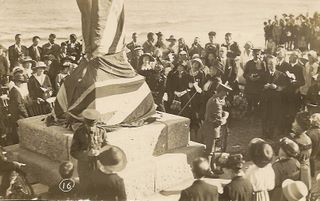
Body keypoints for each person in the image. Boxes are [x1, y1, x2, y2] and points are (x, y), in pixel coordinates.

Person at [70, 109, 108, 197]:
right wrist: (86, 154)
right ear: (85, 122)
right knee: (86, 191)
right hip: (84, 167)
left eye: (93, 125)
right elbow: (73, 151)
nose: (91, 128)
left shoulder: (101, 131)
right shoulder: (79, 133)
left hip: (99, 167)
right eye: (89, 125)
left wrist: (99, 152)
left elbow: (107, 147)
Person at [198, 78, 231, 165]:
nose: (226, 95)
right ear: (221, 92)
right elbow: (219, 121)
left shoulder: (214, 99)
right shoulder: (216, 103)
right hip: (211, 130)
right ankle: (207, 169)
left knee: (212, 150)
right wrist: (226, 116)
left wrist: (223, 113)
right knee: (209, 151)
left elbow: (215, 113)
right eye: (225, 93)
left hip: (210, 128)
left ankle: (212, 167)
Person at [260, 56, 287, 139]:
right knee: (265, 116)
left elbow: (285, 87)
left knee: (273, 116)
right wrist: (264, 87)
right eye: (268, 64)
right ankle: (264, 133)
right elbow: (259, 86)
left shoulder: (281, 75)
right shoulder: (264, 74)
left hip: (275, 100)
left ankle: (272, 133)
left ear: (276, 64)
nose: (270, 66)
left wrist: (276, 87)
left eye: (272, 64)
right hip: (266, 100)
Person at [283, 51, 305, 133]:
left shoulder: (299, 68)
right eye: (290, 56)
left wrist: (296, 83)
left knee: (293, 111)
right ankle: (285, 127)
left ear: (296, 57)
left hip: (295, 93)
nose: (290, 57)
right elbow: (283, 78)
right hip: (287, 92)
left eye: (292, 56)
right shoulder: (286, 66)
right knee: (286, 110)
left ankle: (292, 128)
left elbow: (303, 81)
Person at [291, 111, 312, 190]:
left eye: (295, 122)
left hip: (297, 170)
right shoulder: (307, 139)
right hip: (306, 167)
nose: (293, 124)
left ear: (300, 126)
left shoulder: (296, 142)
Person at [243, 48, 266, 118]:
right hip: (250, 86)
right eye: (255, 54)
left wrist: (259, 78)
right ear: (252, 54)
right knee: (249, 102)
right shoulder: (249, 63)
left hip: (258, 87)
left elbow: (265, 74)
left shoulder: (263, 63)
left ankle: (256, 116)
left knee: (256, 102)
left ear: (260, 55)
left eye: (258, 54)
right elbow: (245, 74)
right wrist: (249, 77)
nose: (256, 55)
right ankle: (249, 115)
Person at [8, 73, 29, 144]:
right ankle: (18, 143)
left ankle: (18, 142)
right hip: (18, 114)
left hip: (16, 114)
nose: (21, 84)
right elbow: (19, 105)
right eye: (20, 82)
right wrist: (26, 114)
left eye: (22, 82)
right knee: (19, 129)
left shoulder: (16, 90)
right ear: (16, 82)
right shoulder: (15, 91)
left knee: (17, 129)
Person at [307, 113, 320, 177]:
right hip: (317, 152)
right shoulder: (317, 131)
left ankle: (311, 174)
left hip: (311, 153)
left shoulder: (310, 132)